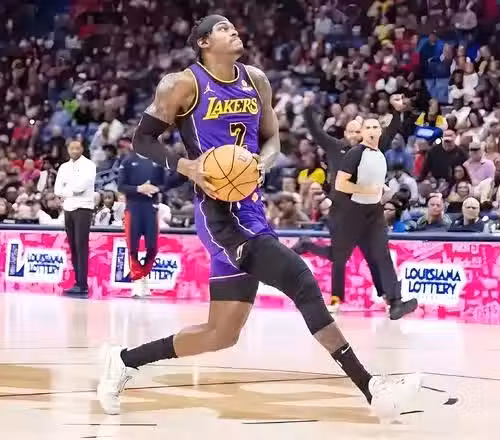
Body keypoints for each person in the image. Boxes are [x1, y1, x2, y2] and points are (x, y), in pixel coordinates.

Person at [97, 15, 421, 422]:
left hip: (250, 206)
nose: (233, 31)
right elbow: (142, 139)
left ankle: (123, 360)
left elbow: (272, 140)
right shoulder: (182, 84)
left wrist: (261, 165)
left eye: (234, 26)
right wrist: (187, 166)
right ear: (203, 42)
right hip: (218, 214)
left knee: (221, 334)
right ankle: (373, 388)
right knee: (301, 279)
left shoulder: (256, 80)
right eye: (223, 28)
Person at [332, 119, 418, 318]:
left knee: (381, 255)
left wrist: (398, 112)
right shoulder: (355, 154)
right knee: (348, 256)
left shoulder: (380, 154)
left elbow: (375, 183)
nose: (371, 130)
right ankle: (336, 298)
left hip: (373, 212)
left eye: (375, 127)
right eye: (367, 127)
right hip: (353, 213)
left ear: (380, 132)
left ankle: (395, 302)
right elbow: (341, 184)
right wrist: (367, 190)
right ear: (362, 132)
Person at [117, 144, 186, 297]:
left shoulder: (157, 162)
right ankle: (138, 281)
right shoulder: (127, 161)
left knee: (152, 247)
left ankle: (144, 275)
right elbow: (121, 186)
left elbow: (165, 183)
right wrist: (139, 189)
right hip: (133, 208)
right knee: (132, 246)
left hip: (151, 208)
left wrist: (156, 189)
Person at [54, 140, 96, 296]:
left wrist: (68, 186)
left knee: (81, 245)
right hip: (68, 208)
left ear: (82, 149)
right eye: (71, 148)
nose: (74, 151)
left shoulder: (89, 165)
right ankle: (77, 283)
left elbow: (81, 188)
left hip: (83, 208)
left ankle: (82, 284)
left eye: (77, 148)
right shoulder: (63, 167)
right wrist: (71, 190)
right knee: (73, 246)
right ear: (68, 149)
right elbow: (57, 190)